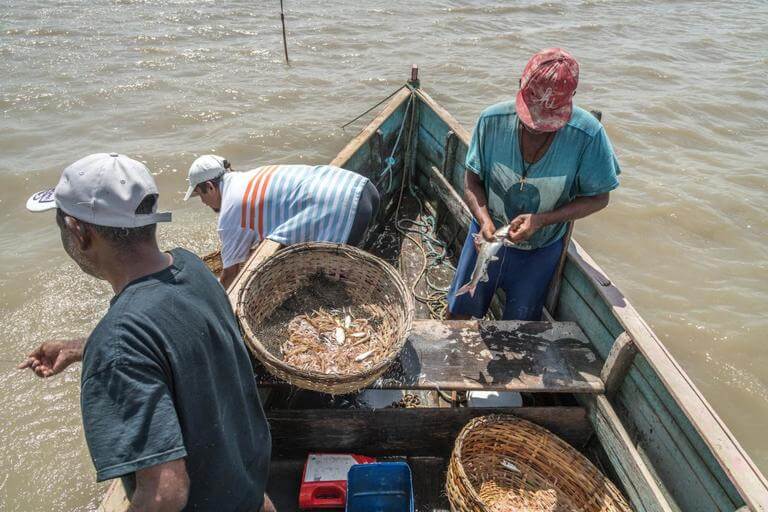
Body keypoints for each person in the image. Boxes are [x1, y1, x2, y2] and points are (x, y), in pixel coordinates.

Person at [19, 153, 274, 512]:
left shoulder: (119, 343)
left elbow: (164, 493)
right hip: (249, 493)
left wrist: (107, 349)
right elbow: (178, 338)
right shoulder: (192, 269)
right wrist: (83, 347)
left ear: (79, 231)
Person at [447, 48, 621, 321]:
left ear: (570, 101)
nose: (537, 127)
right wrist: (484, 221)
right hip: (487, 236)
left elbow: (600, 197)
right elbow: (471, 180)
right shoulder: (490, 121)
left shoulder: (588, 136)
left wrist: (542, 220)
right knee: (458, 312)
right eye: (531, 119)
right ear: (520, 85)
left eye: (547, 122)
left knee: (521, 325)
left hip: (541, 249)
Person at [183, 156, 380, 288]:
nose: (202, 202)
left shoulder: (230, 212)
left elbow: (231, 274)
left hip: (348, 209)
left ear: (210, 187)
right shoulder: (247, 178)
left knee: (326, 283)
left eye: (200, 195)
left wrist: (216, 302)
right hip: (363, 187)